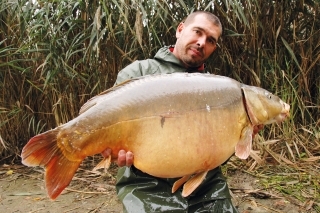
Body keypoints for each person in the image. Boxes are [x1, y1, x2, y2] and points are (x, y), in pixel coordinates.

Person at [102, 11, 261, 213]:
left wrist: (240, 137)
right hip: (146, 183)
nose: (202, 42)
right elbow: (110, 128)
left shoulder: (219, 90)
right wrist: (114, 151)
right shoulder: (138, 73)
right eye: (197, 32)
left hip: (206, 186)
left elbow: (216, 154)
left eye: (210, 40)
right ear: (180, 30)